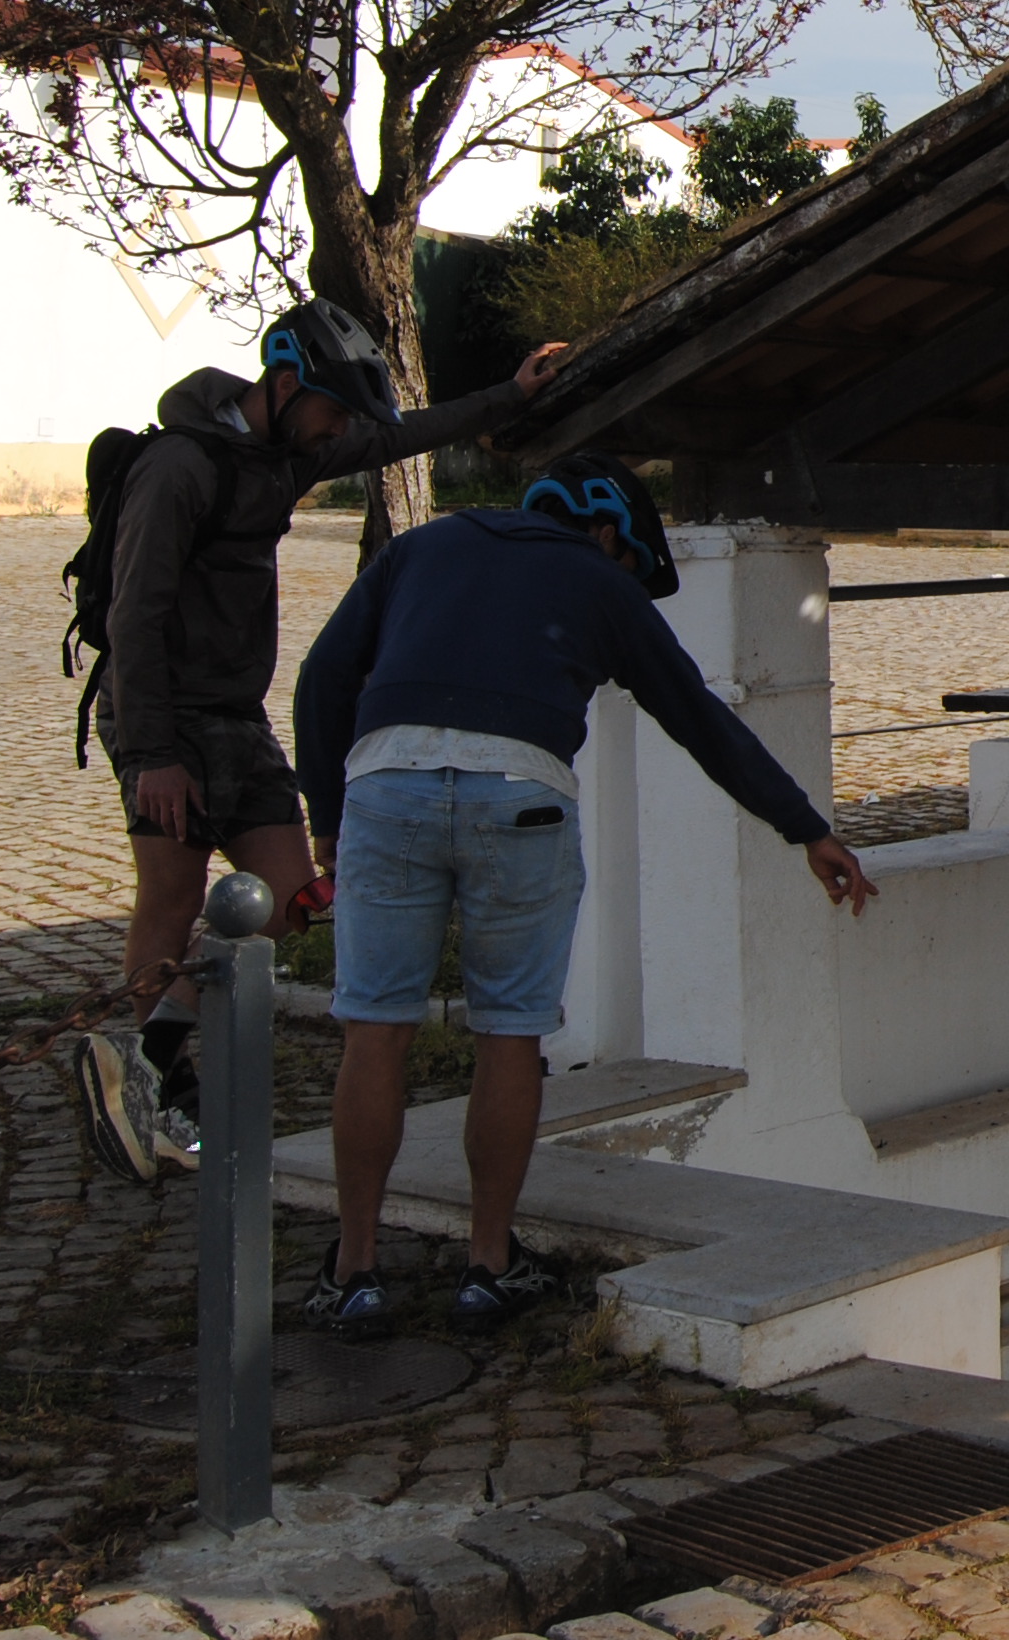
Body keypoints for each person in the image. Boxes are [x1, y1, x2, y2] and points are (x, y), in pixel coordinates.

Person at [289, 453, 874, 1334]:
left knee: (375, 1029)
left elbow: (322, 678)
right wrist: (804, 829)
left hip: (387, 787)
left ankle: (355, 1270)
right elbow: (700, 719)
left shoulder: (424, 545)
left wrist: (329, 818)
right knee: (510, 1033)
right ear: (606, 533)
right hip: (520, 797)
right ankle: (488, 1266)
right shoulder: (599, 582)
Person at [63, 301, 571, 1184]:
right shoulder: (181, 467)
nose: (339, 432)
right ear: (287, 385)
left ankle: (139, 1053)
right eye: (333, 411)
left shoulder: (284, 453)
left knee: (295, 899)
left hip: (234, 715)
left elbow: (395, 438)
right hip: (161, 717)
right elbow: (132, 615)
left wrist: (508, 395)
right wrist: (151, 755)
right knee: (175, 893)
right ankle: (141, 1087)